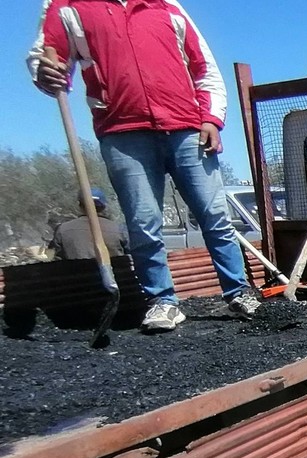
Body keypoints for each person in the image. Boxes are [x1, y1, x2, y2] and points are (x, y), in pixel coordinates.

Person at [29, 0, 259, 332]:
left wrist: (211, 118)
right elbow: (48, 57)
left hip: (186, 126)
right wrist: (45, 73)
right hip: (122, 132)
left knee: (215, 215)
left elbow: (203, 66)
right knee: (143, 222)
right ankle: (162, 301)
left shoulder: (165, 5)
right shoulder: (69, 6)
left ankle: (238, 293)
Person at [51, 188, 128, 261]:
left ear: (80, 205)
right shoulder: (119, 230)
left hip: (77, 270)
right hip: (115, 270)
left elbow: (54, 256)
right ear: (104, 207)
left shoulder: (63, 229)